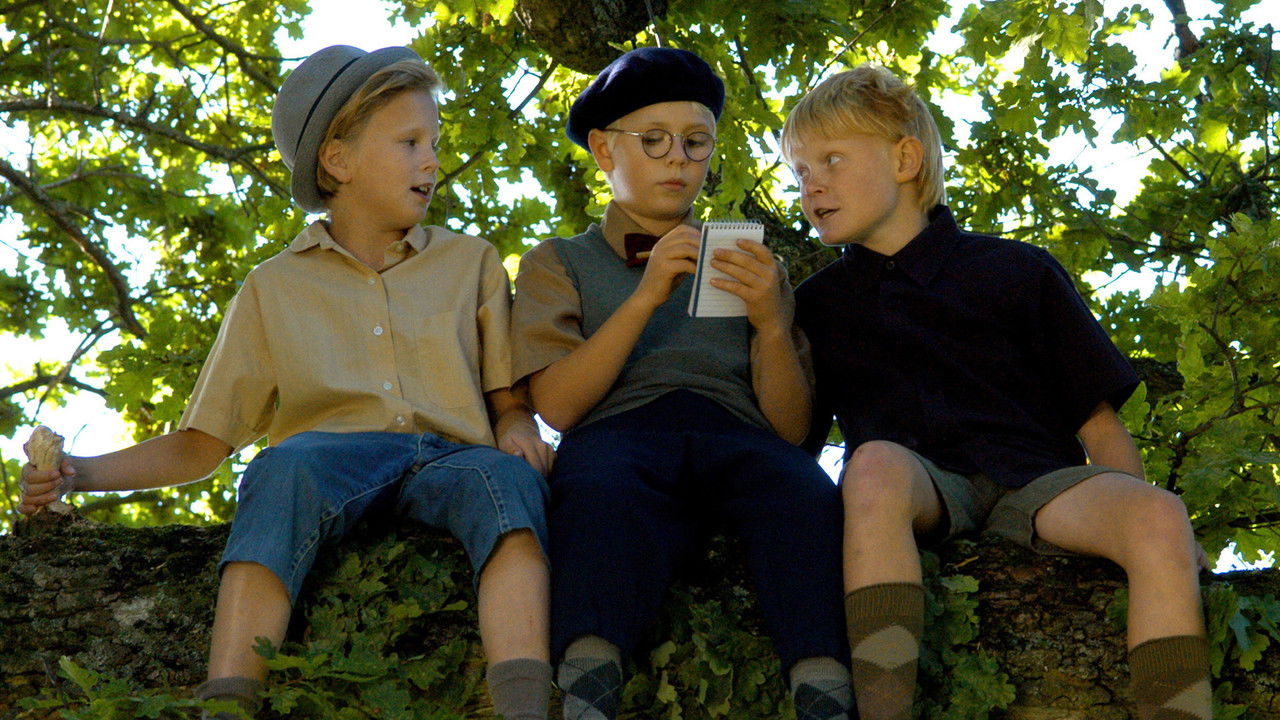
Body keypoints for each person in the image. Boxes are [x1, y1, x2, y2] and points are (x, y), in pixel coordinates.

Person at [18, 45, 555, 720]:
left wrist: (515, 426)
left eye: (435, 143)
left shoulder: (471, 262)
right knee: (277, 471)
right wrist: (79, 474)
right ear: (338, 160)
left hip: (453, 458)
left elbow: (506, 398)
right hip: (329, 462)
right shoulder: (273, 287)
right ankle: (230, 705)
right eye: (411, 142)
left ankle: (528, 703)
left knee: (508, 486)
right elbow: (203, 443)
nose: (431, 161)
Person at [784, 64, 1210, 720]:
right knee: (869, 465)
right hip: (916, 487)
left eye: (831, 160)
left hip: (1040, 484)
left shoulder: (1017, 270)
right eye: (800, 173)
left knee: (1159, 516)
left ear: (905, 158)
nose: (812, 186)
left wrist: (1141, 530)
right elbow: (792, 445)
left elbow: (1096, 423)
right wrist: (762, 326)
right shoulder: (812, 306)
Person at [510, 47, 851, 720]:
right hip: (618, 433)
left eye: (696, 144)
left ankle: (824, 686)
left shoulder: (753, 264)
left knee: (804, 493)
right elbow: (556, 405)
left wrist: (772, 326)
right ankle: (589, 679)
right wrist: (644, 298)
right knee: (595, 489)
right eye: (655, 140)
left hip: (740, 434)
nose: (677, 159)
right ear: (606, 151)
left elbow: (789, 430)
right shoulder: (560, 261)